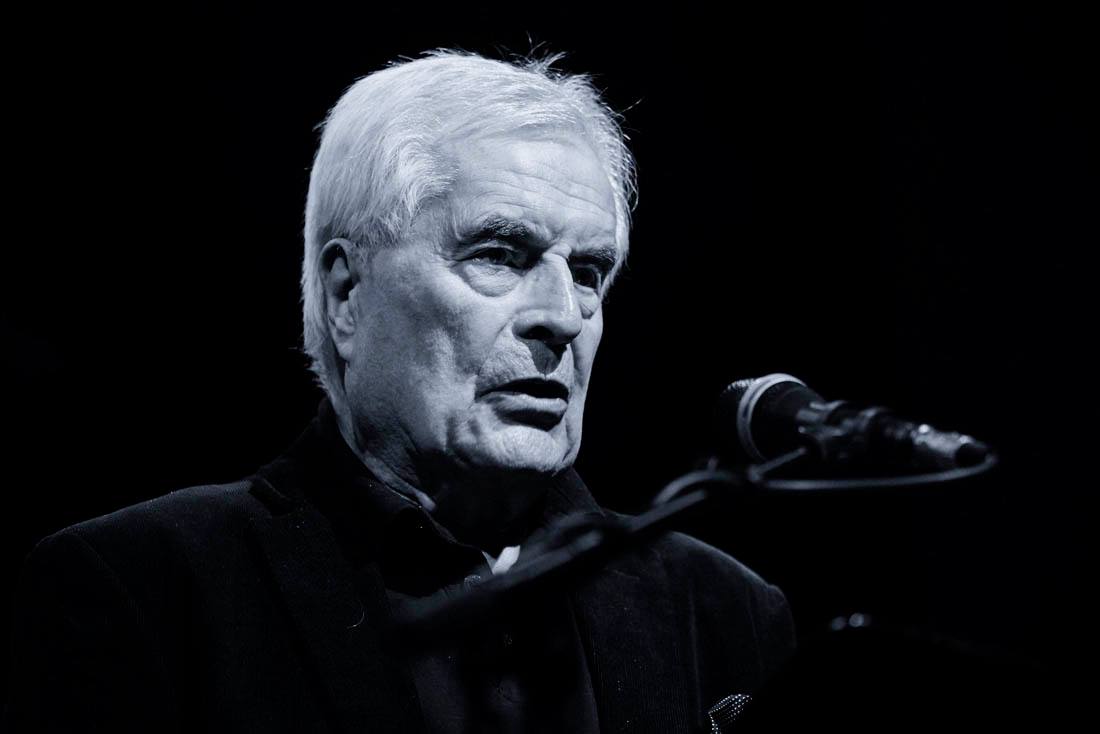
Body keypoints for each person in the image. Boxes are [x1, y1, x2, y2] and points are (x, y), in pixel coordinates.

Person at [4, 51, 794, 733]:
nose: (563, 317)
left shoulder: (724, 610)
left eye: (588, 272)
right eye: (499, 254)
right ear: (347, 294)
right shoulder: (146, 588)